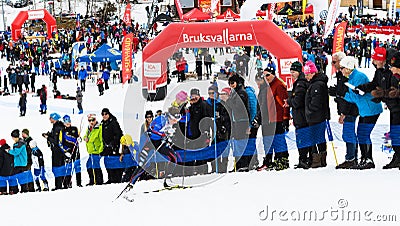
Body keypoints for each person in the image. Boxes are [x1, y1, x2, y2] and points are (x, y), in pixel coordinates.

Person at [356, 48, 400, 169]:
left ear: (382, 60)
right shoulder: (379, 71)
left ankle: (398, 158)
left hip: (397, 107)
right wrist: (362, 87)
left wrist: (381, 94)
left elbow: (393, 91)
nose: (374, 62)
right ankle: (397, 157)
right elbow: (374, 83)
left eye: (376, 59)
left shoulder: (393, 71)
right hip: (393, 108)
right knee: (395, 134)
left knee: (396, 133)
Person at [341, 56, 383, 169]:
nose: (341, 70)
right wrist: (340, 94)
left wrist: (343, 94)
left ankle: (368, 159)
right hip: (365, 110)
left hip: (371, 109)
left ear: (349, 68)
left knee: (363, 134)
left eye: (342, 68)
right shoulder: (351, 77)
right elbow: (353, 97)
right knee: (361, 134)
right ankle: (365, 158)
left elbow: (358, 96)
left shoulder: (358, 76)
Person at [132, 107, 181, 187]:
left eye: (177, 120)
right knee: (144, 163)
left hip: (159, 142)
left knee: (173, 158)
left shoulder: (170, 122)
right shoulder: (161, 120)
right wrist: (165, 134)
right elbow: (153, 130)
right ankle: (131, 183)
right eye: (175, 120)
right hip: (149, 141)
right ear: (170, 117)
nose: (175, 122)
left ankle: (167, 181)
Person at [328, 52, 360, 169]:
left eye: (334, 62)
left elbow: (348, 95)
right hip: (347, 109)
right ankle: (352, 157)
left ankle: (351, 158)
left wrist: (344, 113)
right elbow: (341, 91)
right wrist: (334, 91)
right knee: (348, 134)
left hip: (350, 110)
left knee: (348, 134)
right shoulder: (340, 75)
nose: (333, 64)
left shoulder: (347, 75)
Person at [256, 66, 290, 171]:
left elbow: (284, 103)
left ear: (273, 74)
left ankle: (282, 160)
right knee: (268, 141)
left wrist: (285, 118)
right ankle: (269, 160)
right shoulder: (266, 86)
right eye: (264, 75)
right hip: (267, 119)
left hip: (277, 118)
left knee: (278, 140)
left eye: (268, 75)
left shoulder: (278, 85)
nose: (266, 77)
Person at [304, 61, 330, 168]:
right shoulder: (315, 83)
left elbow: (316, 102)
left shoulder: (317, 84)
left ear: (313, 73)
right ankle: (320, 159)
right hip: (317, 116)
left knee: (315, 138)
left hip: (316, 117)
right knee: (318, 138)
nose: (306, 77)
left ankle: (317, 160)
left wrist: (309, 111)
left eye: (307, 74)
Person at [287, 61, 311, 169]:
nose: (292, 74)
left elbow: (297, 101)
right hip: (302, 116)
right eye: (291, 72)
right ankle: (304, 159)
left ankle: (303, 159)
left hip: (301, 116)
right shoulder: (300, 82)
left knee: (302, 139)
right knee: (303, 138)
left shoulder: (301, 83)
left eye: (293, 72)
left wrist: (289, 101)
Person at [227, 73, 250, 171]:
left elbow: (238, 108)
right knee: (237, 143)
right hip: (236, 120)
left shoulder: (241, 93)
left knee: (241, 143)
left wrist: (229, 101)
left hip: (242, 121)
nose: (231, 85)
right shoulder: (234, 92)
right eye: (230, 83)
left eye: (233, 83)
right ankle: (238, 164)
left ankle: (243, 164)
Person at [187, 88, 211, 174]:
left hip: (202, 133)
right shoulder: (191, 107)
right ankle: (196, 169)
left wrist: (206, 131)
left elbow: (207, 119)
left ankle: (203, 169)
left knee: (202, 152)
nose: (194, 98)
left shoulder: (204, 105)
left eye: (196, 97)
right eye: (192, 97)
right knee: (195, 151)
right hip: (193, 134)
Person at [42, 113, 66, 190]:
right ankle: (63, 184)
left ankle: (59, 185)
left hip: (57, 151)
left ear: (54, 118)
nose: (49, 119)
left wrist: (47, 137)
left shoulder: (57, 127)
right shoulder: (58, 126)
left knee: (57, 167)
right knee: (61, 167)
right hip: (60, 150)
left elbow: (55, 141)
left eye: (51, 118)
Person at [101, 108, 123, 184]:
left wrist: (113, 143)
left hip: (113, 146)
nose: (104, 116)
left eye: (106, 114)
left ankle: (116, 178)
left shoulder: (113, 122)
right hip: (106, 146)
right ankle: (110, 177)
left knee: (114, 162)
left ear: (109, 114)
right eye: (103, 114)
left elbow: (119, 134)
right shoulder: (102, 123)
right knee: (107, 162)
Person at [59, 115, 82, 188]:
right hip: (67, 151)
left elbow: (78, 137)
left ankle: (79, 183)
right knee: (68, 168)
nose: (68, 123)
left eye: (69, 121)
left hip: (75, 150)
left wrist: (79, 139)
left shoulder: (74, 129)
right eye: (66, 121)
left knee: (77, 167)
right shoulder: (62, 131)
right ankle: (68, 183)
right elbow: (60, 142)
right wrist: (65, 152)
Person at [84, 114, 104, 186]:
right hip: (91, 151)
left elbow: (101, 140)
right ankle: (92, 180)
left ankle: (98, 181)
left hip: (96, 151)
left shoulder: (99, 128)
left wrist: (100, 151)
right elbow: (86, 136)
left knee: (95, 165)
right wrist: (85, 138)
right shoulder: (89, 128)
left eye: (93, 120)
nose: (91, 122)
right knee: (89, 165)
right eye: (90, 120)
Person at [7, 129, 29, 194]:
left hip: (20, 163)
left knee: (16, 176)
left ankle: (20, 189)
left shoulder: (20, 144)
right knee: (20, 176)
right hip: (19, 163)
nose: (12, 138)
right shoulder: (18, 143)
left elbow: (16, 152)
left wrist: (8, 151)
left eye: (13, 137)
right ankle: (22, 189)